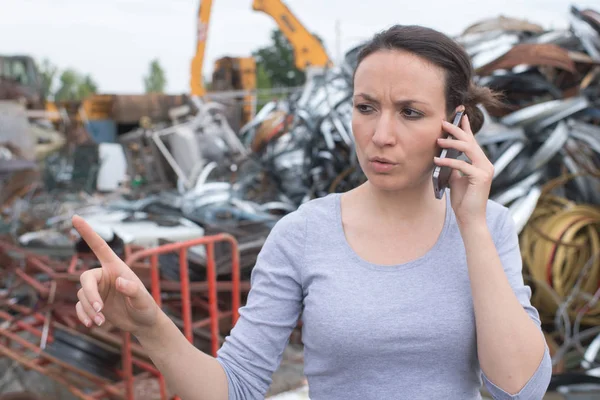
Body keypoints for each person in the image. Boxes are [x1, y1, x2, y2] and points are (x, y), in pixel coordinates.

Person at [73, 25, 552, 400]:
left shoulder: (488, 227)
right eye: (366, 107)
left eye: (410, 112)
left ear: (456, 123)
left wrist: (470, 224)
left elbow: (518, 388)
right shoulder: (303, 234)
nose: (380, 134)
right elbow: (235, 388)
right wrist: (151, 326)